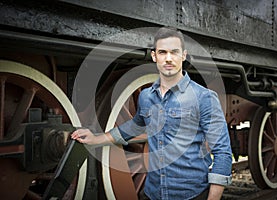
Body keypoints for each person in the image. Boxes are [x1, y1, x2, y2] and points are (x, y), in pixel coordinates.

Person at [71, 26, 232, 200]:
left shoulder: (204, 97)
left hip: (191, 195)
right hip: (153, 194)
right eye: (162, 52)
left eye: (174, 52)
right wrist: (97, 138)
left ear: (183, 55)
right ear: (154, 56)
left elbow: (223, 151)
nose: (168, 59)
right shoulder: (146, 96)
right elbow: (135, 126)